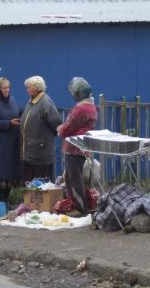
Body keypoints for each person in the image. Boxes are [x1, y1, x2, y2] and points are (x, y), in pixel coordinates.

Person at [58, 77, 98, 215]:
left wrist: (60, 129)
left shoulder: (81, 108)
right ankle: (80, 205)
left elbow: (69, 126)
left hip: (75, 147)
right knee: (71, 176)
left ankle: (80, 207)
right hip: (82, 145)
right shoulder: (91, 106)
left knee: (74, 177)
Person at [20, 76, 62, 182]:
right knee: (30, 183)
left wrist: (43, 139)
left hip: (40, 153)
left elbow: (57, 124)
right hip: (31, 151)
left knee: (41, 184)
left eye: (29, 87)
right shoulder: (32, 101)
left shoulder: (45, 102)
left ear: (36, 88)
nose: (27, 90)